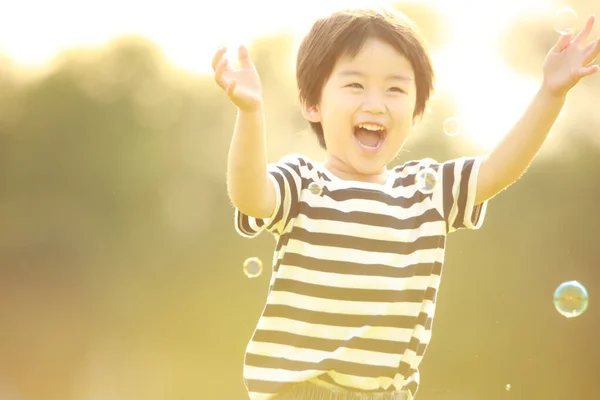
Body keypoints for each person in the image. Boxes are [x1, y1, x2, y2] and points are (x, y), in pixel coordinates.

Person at [212, 7, 600, 400]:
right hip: (300, 392)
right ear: (313, 103)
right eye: (355, 85)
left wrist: (551, 93)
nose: (377, 103)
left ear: (416, 111)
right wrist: (250, 113)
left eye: (395, 89)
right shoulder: (303, 184)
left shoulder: (425, 193)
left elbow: (499, 170)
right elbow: (251, 196)